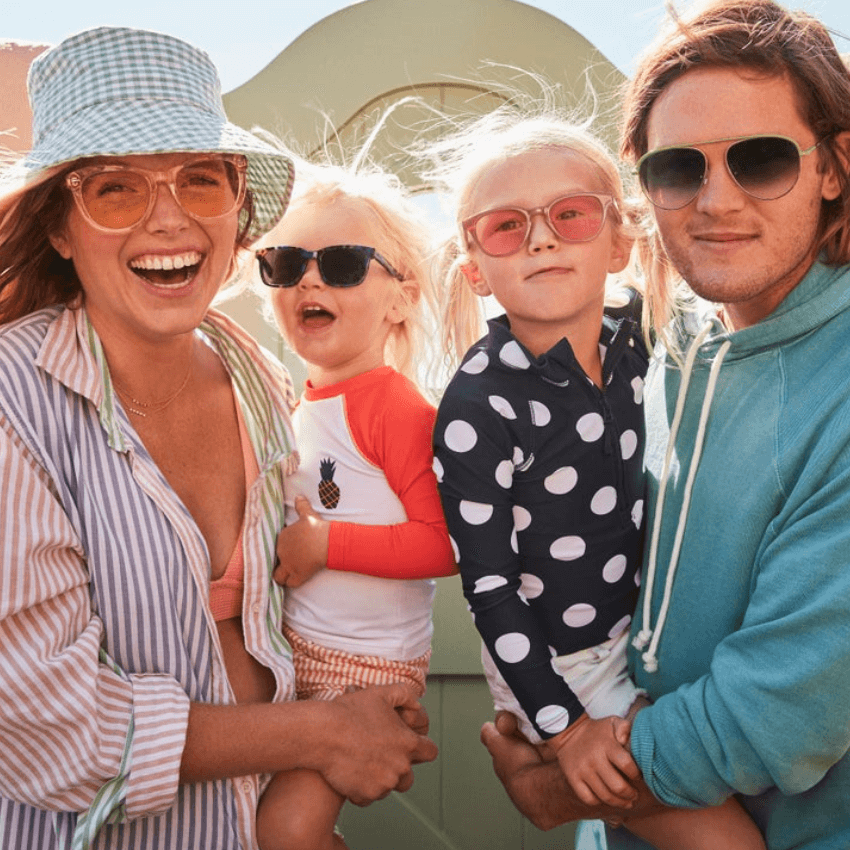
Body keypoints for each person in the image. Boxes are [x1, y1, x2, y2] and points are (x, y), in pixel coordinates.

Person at [0, 26, 436, 850]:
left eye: (200, 181)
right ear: (60, 227)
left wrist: (366, 706)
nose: (170, 222)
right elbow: (44, 729)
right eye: (115, 190)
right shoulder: (13, 404)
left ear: (237, 209)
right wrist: (324, 736)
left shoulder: (263, 383)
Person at [477, 1, 850, 848]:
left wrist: (565, 785)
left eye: (760, 160)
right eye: (679, 168)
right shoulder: (667, 343)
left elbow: (775, 712)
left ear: (834, 166)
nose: (716, 201)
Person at [426, 106, 766, 849]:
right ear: (474, 265)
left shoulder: (642, 347)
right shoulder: (477, 406)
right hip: (562, 664)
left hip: (647, 634)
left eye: (571, 215)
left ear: (619, 241)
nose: (542, 237)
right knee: (725, 841)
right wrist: (568, 727)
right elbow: (490, 589)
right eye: (507, 226)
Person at [250, 154, 456, 849]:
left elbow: (442, 543)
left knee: (286, 829)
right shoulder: (285, 401)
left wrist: (324, 546)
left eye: (341, 264)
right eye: (285, 263)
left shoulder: (395, 408)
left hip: (362, 670)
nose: (310, 277)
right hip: (292, 655)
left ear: (400, 298)